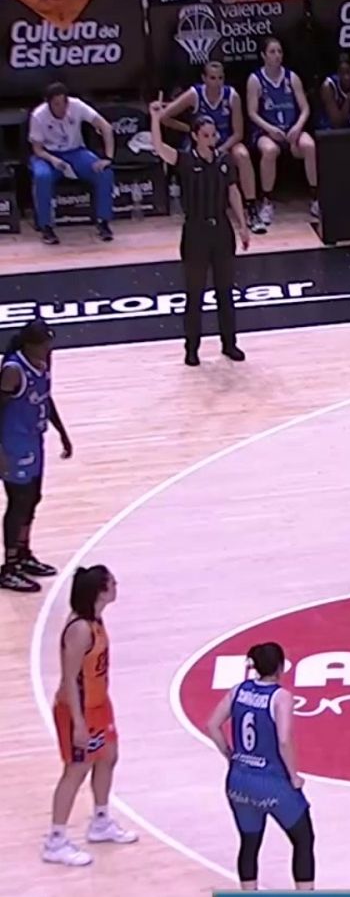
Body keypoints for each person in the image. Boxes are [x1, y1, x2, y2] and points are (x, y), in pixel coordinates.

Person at [44, 566, 139, 866]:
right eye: (112, 583)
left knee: (108, 756)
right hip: (78, 709)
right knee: (76, 769)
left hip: (99, 703)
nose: (116, 585)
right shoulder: (80, 629)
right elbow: (69, 678)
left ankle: (100, 821)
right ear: (99, 591)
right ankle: (55, 840)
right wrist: (79, 723)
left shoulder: (96, 619)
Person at [205, 642, 315, 891]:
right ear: (280, 667)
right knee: (303, 838)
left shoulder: (237, 690)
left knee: (249, 842)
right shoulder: (281, 697)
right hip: (271, 782)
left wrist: (229, 755)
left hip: (238, 780)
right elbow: (284, 740)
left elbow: (212, 725)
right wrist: (294, 776)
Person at [151, 109, 252, 367]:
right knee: (194, 293)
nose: (211, 139)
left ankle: (229, 344)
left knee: (225, 292)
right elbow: (159, 148)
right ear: (195, 136)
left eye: (213, 134)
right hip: (195, 230)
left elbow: (233, 193)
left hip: (221, 229)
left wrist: (243, 225)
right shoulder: (185, 160)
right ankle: (191, 348)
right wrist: (154, 119)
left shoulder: (225, 160)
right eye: (205, 135)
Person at [0, 320, 72, 593]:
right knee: (18, 503)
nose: (48, 347)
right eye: (44, 343)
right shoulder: (12, 370)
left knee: (32, 498)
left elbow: (45, 396)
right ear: (30, 345)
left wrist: (62, 432)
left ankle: (24, 553)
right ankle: (8, 567)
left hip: (34, 439)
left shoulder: (44, 362)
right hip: (12, 443)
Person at [157, 62, 255, 225]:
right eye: (212, 78)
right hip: (201, 144)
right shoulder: (195, 94)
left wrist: (221, 150)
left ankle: (251, 208)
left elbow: (238, 133)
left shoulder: (232, 96)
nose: (217, 82)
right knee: (189, 159)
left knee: (242, 155)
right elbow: (164, 117)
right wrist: (189, 129)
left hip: (225, 143)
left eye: (220, 78)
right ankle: (194, 208)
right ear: (204, 78)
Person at [28, 82, 116, 246]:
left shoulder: (77, 106)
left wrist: (108, 157)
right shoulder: (38, 116)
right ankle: (46, 226)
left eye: (64, 103)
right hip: (48, 156)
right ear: (49, 104)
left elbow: (106, 127)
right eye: (57, 104)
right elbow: (37, 149)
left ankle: (103, 222)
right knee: (42, 176)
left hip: (75, 152)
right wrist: (53, 160)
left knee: (105, 172)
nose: (62, 108)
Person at [246, 38, 318, 225]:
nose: (277, 55)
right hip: (266, 131)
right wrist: (270, 129)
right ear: (263, 55)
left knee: (309, 145)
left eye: (279, 51)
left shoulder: (291, 77)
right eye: (272, 51)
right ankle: (267, 202)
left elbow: (305, 108)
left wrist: (297, 127)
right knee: (270, 151)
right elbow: (252, 113)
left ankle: (315, 198)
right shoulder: (255, 80)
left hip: (292, 129)